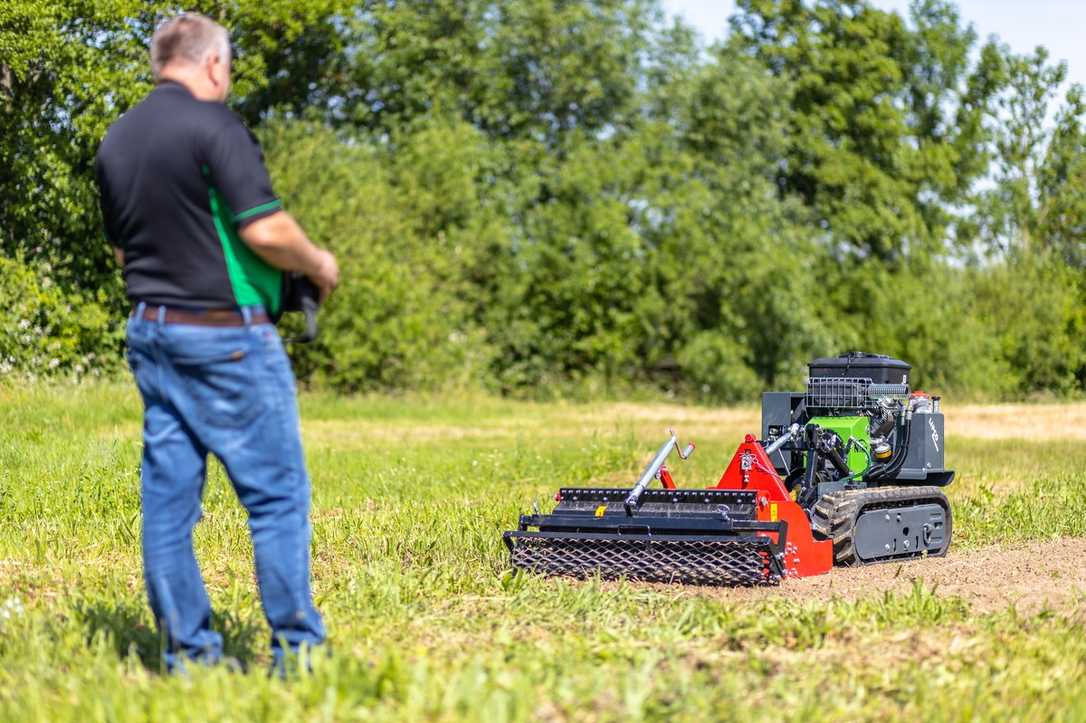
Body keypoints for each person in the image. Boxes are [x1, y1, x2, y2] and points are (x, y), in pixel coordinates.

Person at [94, 12, 338, 672]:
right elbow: (264, 230)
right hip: (226, 337)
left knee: (169, 505)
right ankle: (299, 655)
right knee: (276, 497)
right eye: (226, 71)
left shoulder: (116, 140)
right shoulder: (213, 124)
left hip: (152, 333)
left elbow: (123, 251)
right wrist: (318, 264)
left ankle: (189, 658)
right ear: (212, 64)